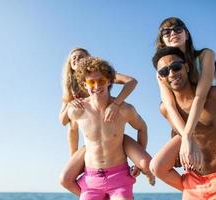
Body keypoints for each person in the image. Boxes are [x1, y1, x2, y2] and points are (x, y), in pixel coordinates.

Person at [154, 17, 216, 199]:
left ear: (187, 33)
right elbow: (170, 105)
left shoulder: (205, 55)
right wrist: (182, 138)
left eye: (177, 29)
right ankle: (195, 188)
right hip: (188, 126)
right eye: (166, 32)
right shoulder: (162, 68)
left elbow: (201, 95)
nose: (173, 34)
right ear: (161, 40)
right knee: (156, 165)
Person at [59, 48, 155, 196]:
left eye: (101, 81)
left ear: (109, 81)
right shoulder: (75, 103)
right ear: (84, 84)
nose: (97, 86)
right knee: (64, 179)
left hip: (118, 148)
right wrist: (73, 158)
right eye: (91, 82)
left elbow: (131, 82)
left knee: (147, 164)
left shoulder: (123, 108)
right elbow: (68, 126)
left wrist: (116, 104)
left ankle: (147, 172)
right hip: (92, 173)